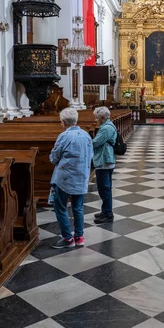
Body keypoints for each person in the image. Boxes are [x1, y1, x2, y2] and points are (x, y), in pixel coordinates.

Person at [49, 107, 93, 249]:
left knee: (61, 207)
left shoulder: (64, 136)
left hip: (65, 178)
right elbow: (90, 155)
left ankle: (68, 238)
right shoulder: (86, 135)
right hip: (81, 176)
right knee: (78, 207)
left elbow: (54, 157)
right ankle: (79, 237)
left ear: (63, 122)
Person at [92, 106, 117, 224]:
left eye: (97, 117)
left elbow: (96, 142)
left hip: (104, 160)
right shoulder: (107, 126)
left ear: (102, 118)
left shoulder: (106, 128)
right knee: (104, 188)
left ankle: (108, 214)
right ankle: (105, 211)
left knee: (104, 188)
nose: (95, 119)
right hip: (106, 159)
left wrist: (87, 142)